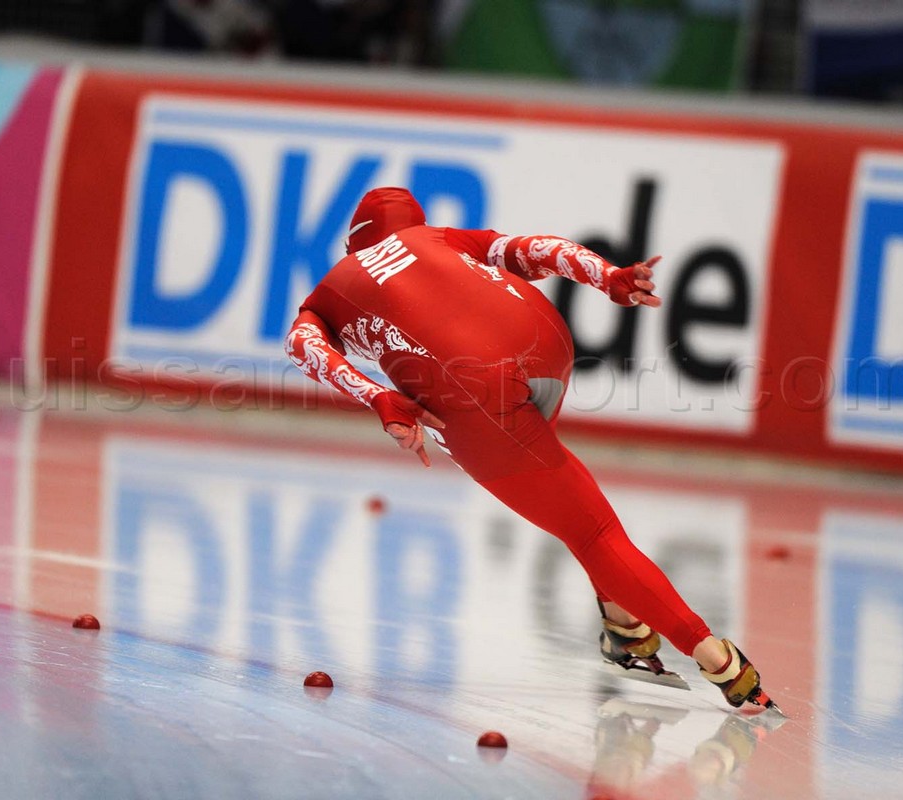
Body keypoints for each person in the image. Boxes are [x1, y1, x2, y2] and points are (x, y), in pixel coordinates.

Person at [284, 187, 779, 713]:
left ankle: (718, 660)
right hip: (547, 342)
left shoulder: (333, 288)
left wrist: (378, 396)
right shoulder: (439, 237)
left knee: (591, 532)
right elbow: (536, 249)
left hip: (473, 389)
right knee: (566, 501)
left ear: (354, 243)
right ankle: (624, 627)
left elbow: (301, 346)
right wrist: (609, 276)